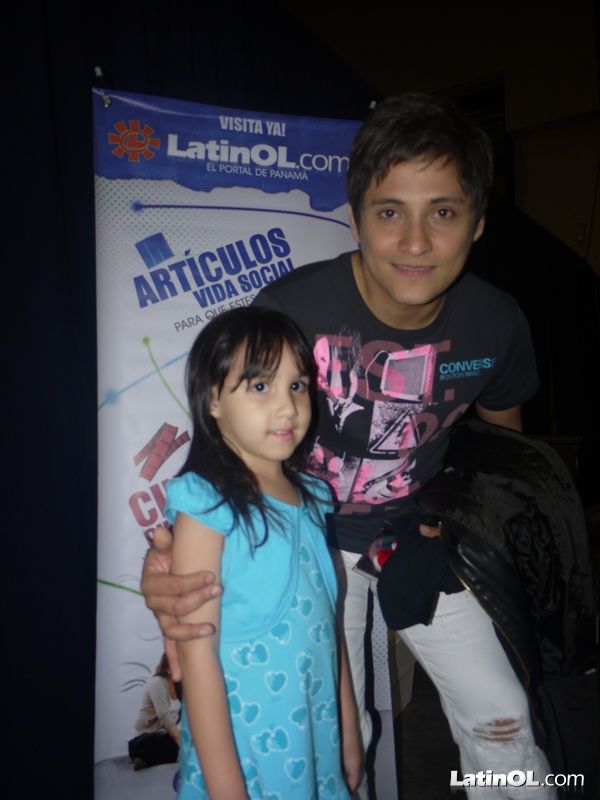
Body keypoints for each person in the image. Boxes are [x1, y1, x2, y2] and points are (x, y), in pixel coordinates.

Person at [142, 94, 556, 798]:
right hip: (309, 541)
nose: (416, 242)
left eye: (443, 212)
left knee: (505, 722)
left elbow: (503, 447)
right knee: (338, 742)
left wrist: (473, 522)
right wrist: (173, 564)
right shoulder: (290, 311)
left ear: (479, 222)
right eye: (390, 211)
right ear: (356, 217)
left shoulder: (497, 322)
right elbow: (223, 448)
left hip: (417, 537)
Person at [163, 306, 362, 799]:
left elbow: (328, 629)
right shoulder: (205, 504)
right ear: (213, 399)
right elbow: (197, 652)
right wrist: (226, 787)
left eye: (297, 385)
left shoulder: (312, 499)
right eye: (260, 386)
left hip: (315, 740)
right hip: (245, 754)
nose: (287, 406)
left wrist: (350, 732)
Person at [128, 651, 181, 770]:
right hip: (143, 738)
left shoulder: (179, 686)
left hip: (164, 736)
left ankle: (146, 760)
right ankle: (143, 757)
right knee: (170, 743)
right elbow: (164, 717)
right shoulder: (157, 683)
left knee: (193, 741)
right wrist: (181, 743)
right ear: (168, 668)